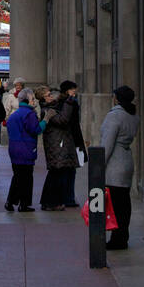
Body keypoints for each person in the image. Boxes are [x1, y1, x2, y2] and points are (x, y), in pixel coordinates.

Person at [101, 85, 139, 249]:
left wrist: (99, 165)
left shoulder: (114, 116)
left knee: (116, 204)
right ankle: (123, 236)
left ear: (117, 98)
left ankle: (118, 238)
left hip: (114, 163)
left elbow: (107, 143)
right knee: (124, 202)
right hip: (126, 159)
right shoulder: (133, 115)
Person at [4, 89, 43, 212]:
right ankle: (23, 203)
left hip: (14, 149)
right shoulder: (29, 114)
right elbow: (36, 129)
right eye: (33, 99)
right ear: (27, 100)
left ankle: (12, 201)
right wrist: (45, 121)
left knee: (17, 176)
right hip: (26, 148)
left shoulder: (15, 114)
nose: (34, 102)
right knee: (26, 178)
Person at [39, 85, 76, 210]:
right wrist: (69, 101)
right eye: (48, 95)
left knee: (57, 174)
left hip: (58, 144)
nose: (51, 96)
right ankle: (49, 202)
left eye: (50, 94)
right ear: (43, 98)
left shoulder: (53, 106)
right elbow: (63, 120)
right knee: (55, 174)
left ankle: (53, 201)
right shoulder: (47, 110)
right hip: (55, 146)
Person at [61, 79, 87, 207]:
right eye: (72, 89)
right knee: (70, 170)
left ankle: (68, 197)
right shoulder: (70, 103)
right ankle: (68, 198)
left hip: (68, 140)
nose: (74, 91)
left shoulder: (66, 103)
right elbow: (74, 125)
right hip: (70, 140)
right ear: (67, 91)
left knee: (69, 170)